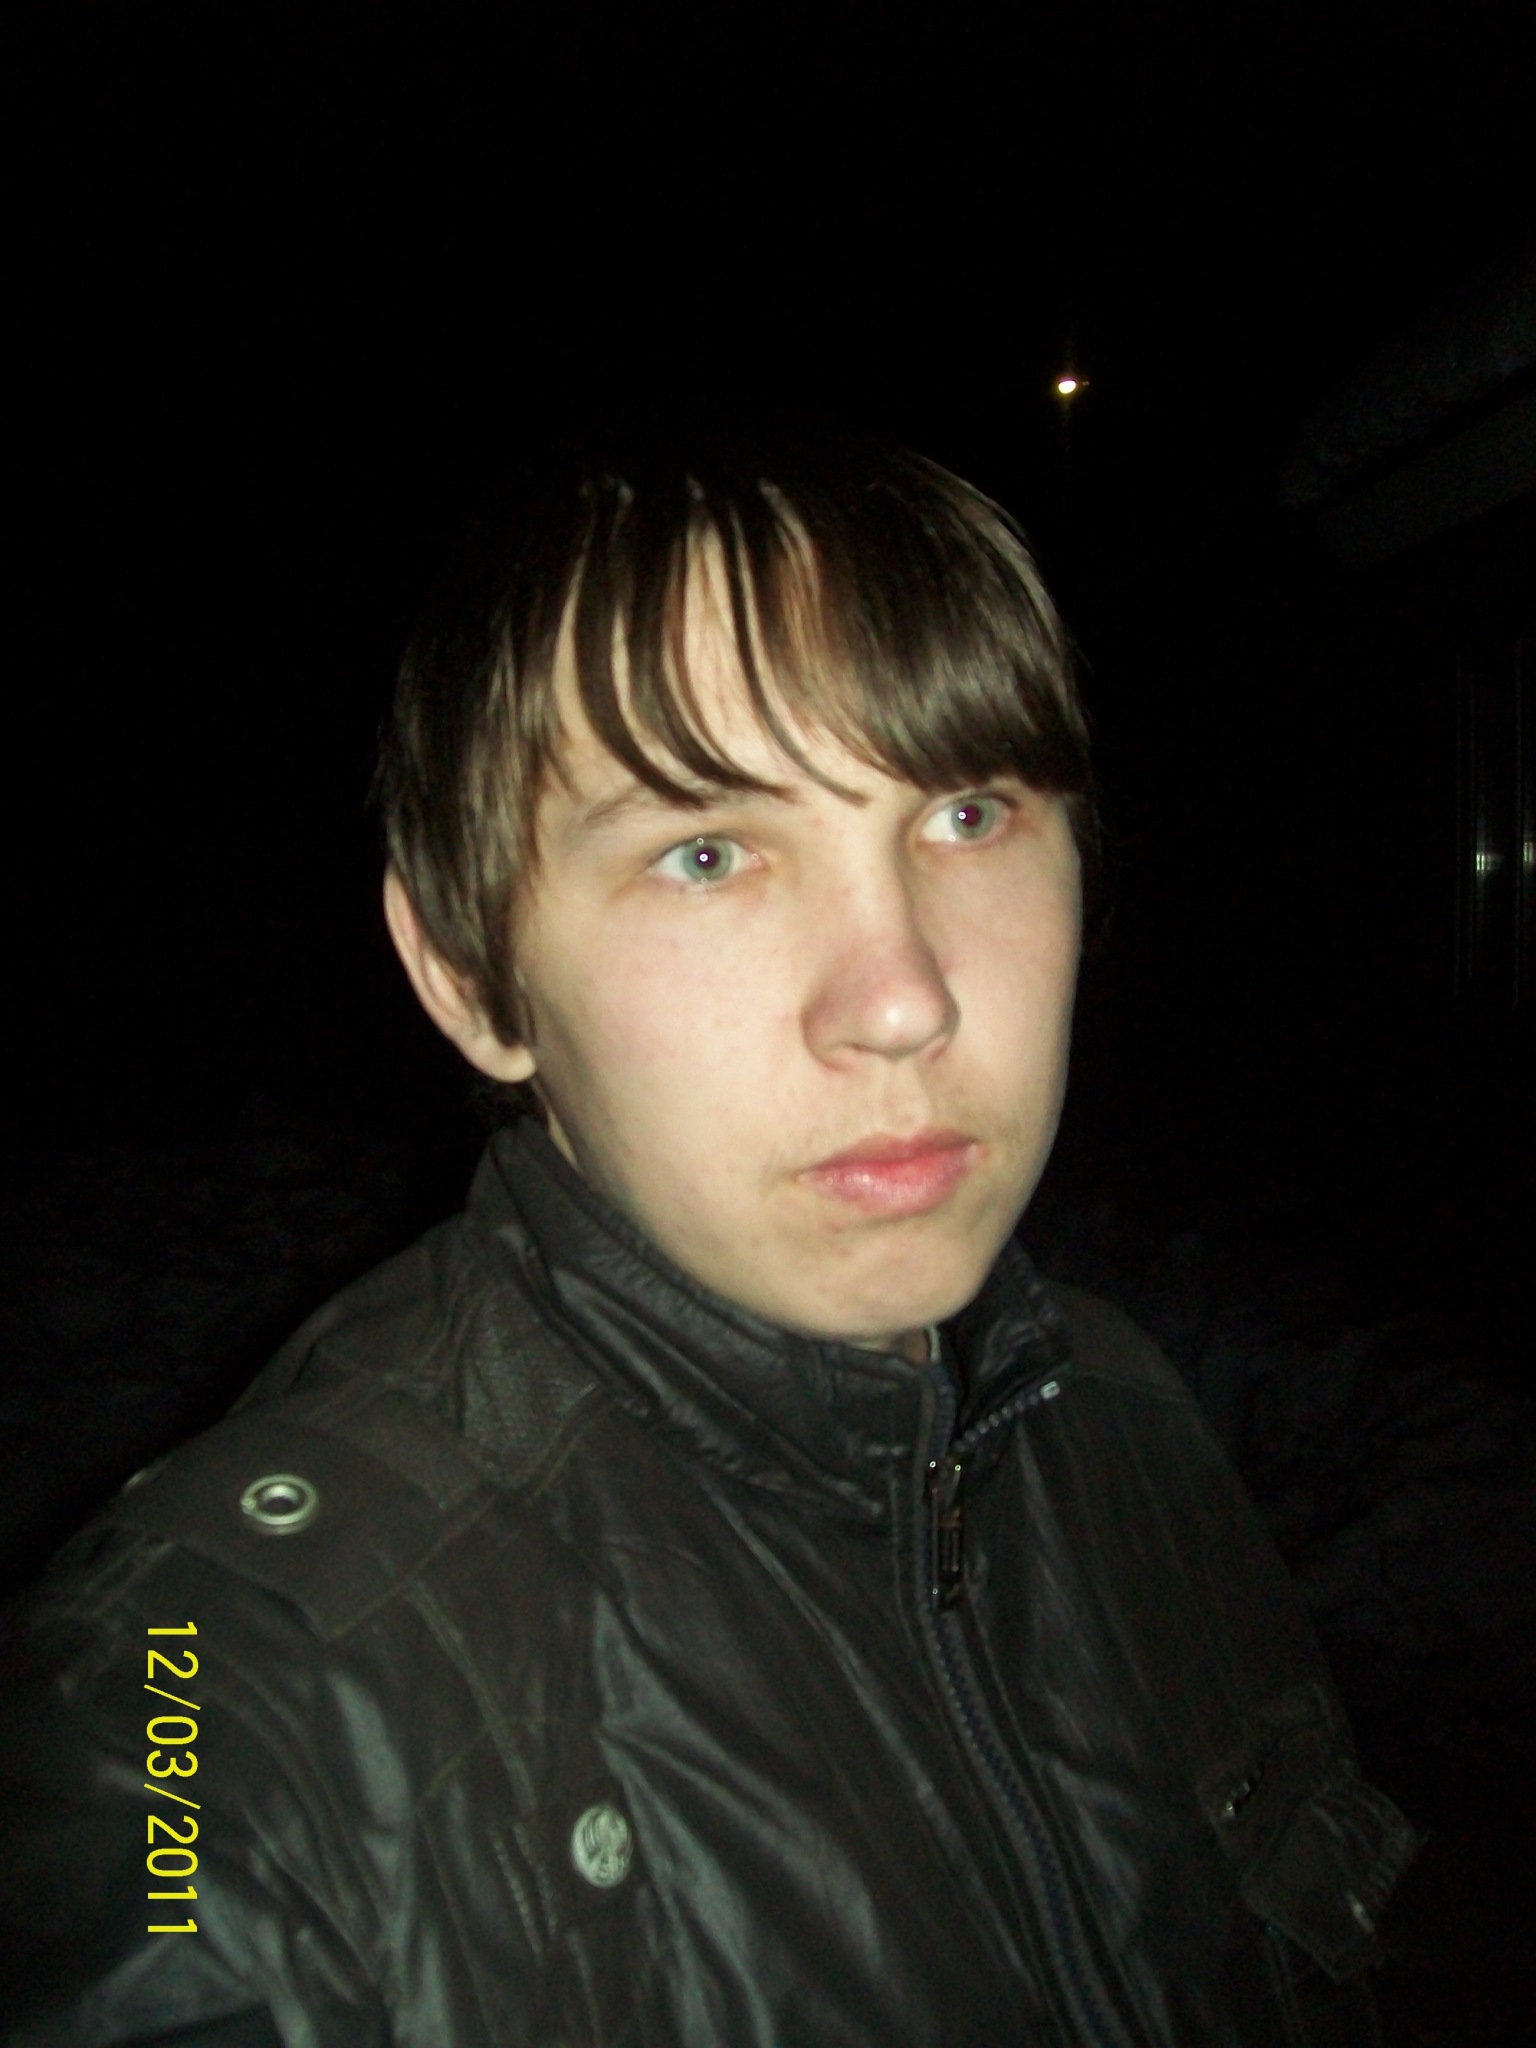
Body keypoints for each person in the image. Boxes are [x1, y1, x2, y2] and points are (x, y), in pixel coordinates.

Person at [0, 405, 1416, 2046]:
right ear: (469, 977)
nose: (902, 999)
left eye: (968, 816)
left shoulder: (1120, 1419)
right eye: (708, 851)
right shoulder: (196, 1703)